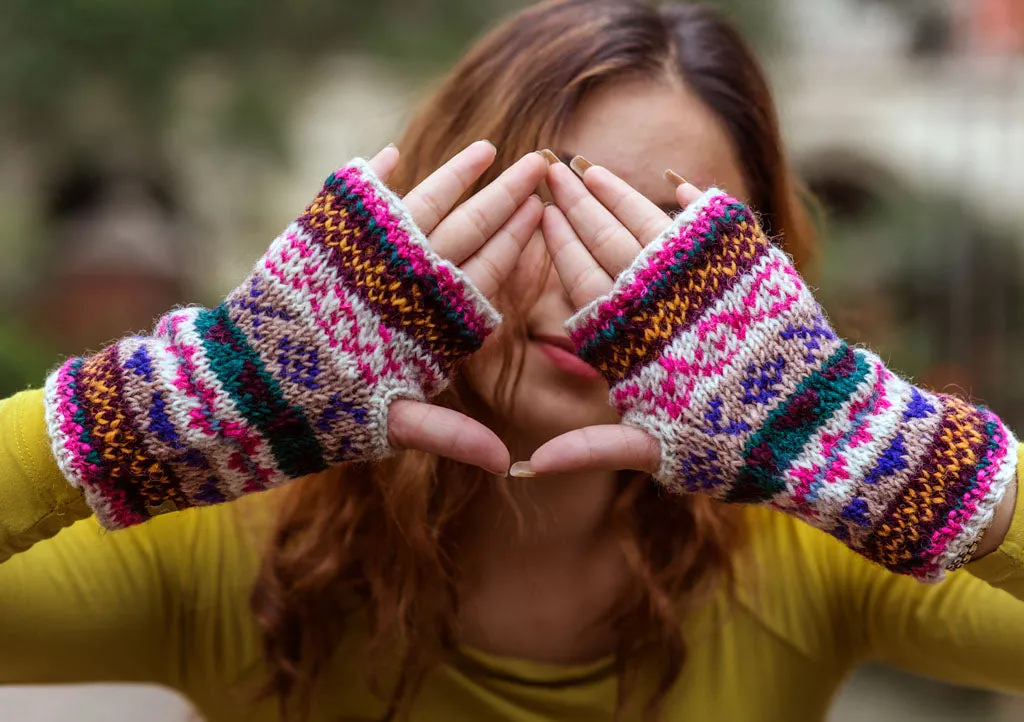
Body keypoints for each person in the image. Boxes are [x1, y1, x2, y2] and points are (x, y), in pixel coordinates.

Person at [2, 1, 1023, 721]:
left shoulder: (818, 548)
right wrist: (166, 404)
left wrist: (889, 449)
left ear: (768, 281)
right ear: (416, 236)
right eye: (551, 211)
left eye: (671, 243)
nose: (607, 291)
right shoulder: (229, 547)